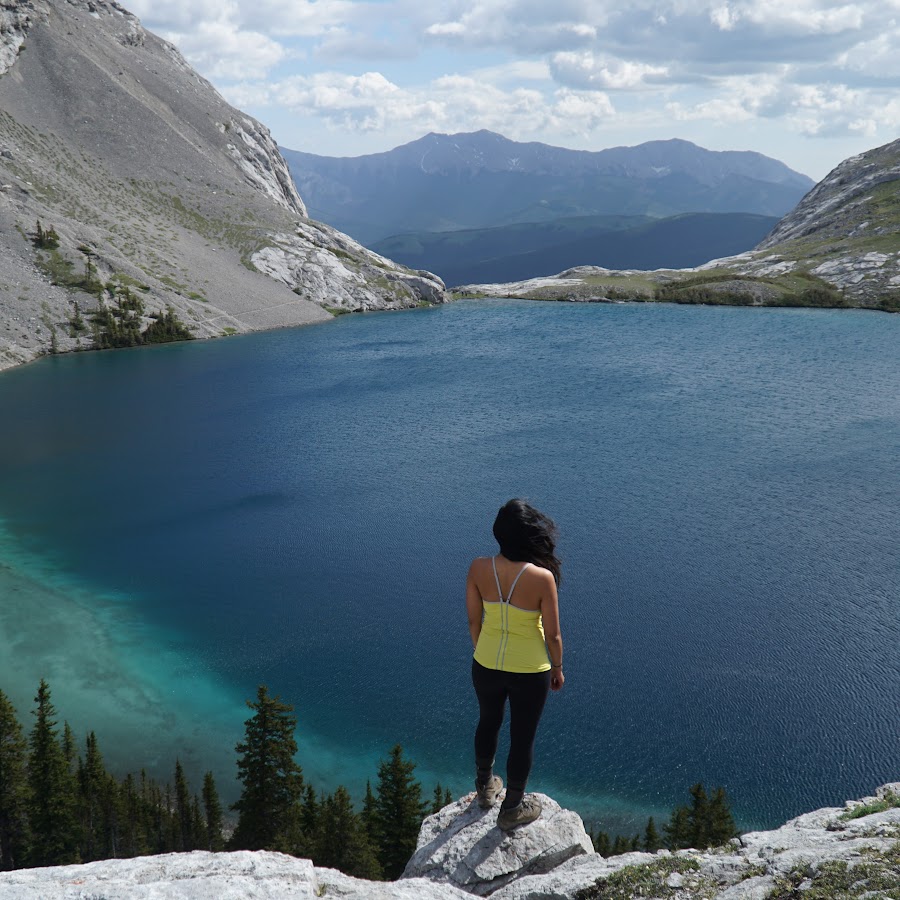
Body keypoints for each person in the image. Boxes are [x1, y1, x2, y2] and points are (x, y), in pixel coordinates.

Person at [466, 498, 565, 830]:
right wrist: (557, 667)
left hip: (486, 663)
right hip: (530, 671)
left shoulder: (478, 568)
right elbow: (553, 635)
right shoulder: (542, 577)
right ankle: (512, 808)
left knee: (488, 721)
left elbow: (474, 621)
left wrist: (483, 651)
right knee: (523, 737)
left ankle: (485, 787)